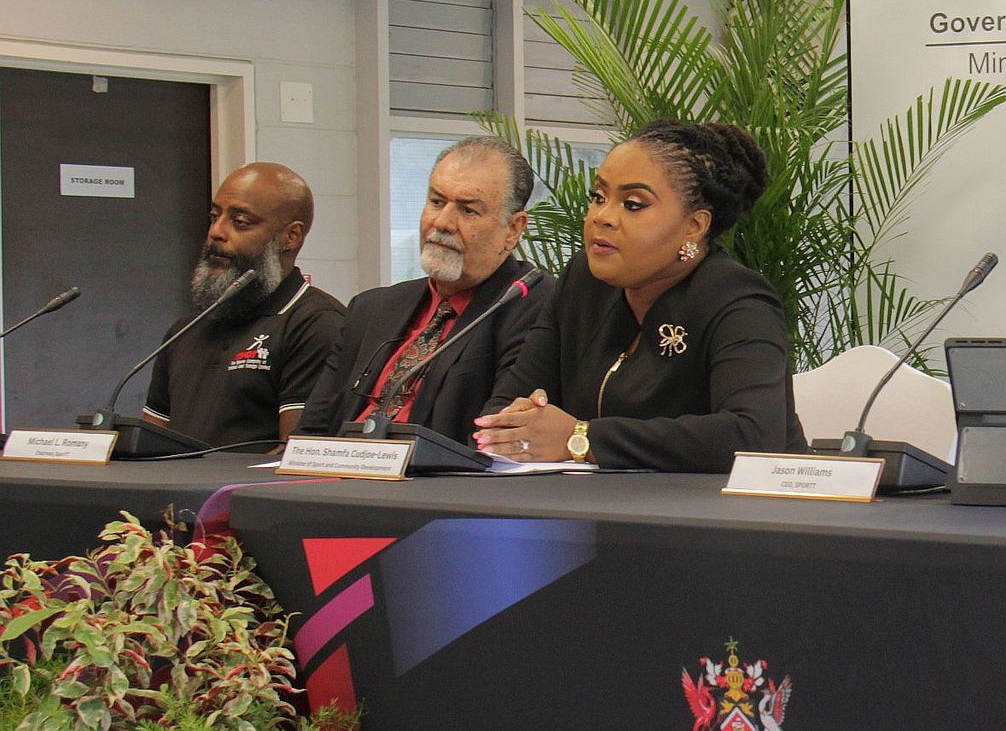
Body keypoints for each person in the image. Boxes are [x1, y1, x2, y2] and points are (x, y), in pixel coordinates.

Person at [475, 120, 806, 470]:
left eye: (633, 204)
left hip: (744, 515)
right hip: (597, 510)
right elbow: (501, 408)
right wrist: (518, 423)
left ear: (695, 226)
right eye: (598, 197)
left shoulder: (738, 301)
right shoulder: (583, 283)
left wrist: (582, 438)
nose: (601, 217)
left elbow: (751, 436)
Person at [298, 138, 552, 442]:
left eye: (468, 210)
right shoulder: (371, 308)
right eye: (436, 202)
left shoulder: (535, 305)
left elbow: (495, 438)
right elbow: (311, 433)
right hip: (337, 477)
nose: (442, 222)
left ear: (513, 229)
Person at [142, 162, 345, 446]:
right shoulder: (185, 330)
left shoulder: (318, 324)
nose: (216, 232)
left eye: (240, 222)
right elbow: (151, 444)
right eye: (214, 216)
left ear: (291, 236)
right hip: (176, 489)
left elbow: (296, 455)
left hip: (243, 490)